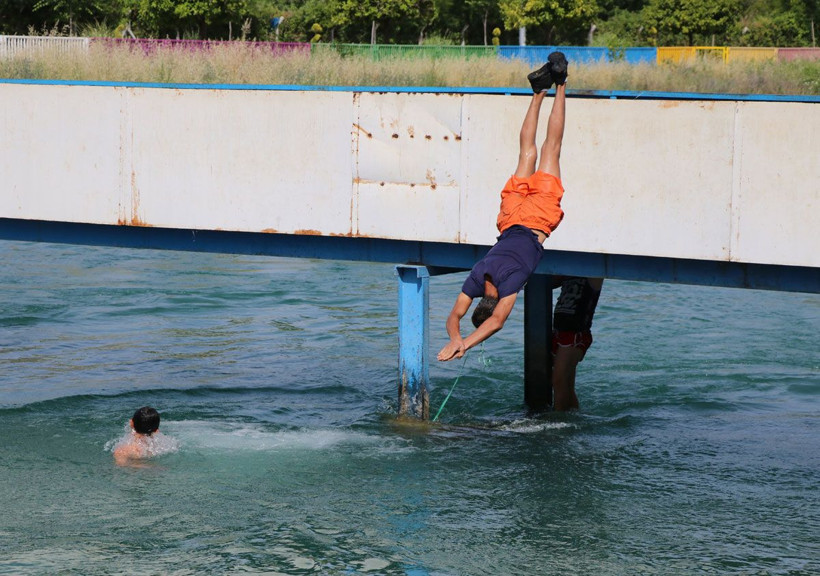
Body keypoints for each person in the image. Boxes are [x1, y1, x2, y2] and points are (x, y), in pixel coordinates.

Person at [437, 52, 569, 363]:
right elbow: (454, 316)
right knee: (526, 152)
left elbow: (497, 322)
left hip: (538, 219)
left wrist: (465, 346)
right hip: (510, 218)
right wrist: (455, 337)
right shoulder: (476, 277)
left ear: (494, 304)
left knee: (551, 148)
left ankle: (560, 84)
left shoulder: (511, 283)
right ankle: (538, 92)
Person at [551, 277, 603, 411]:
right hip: (560, 331)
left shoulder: (593, 272)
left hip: (576, 334)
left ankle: (557, 422)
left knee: (559, 380)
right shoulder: (567, 270)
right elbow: (547, 282)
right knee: (566, 384)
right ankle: (573, 416)